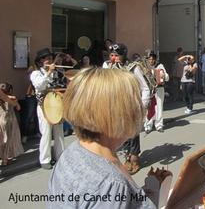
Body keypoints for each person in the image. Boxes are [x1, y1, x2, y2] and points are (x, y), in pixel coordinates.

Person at [47, 68, 156, 209]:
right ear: (115, 115)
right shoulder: (111, 183)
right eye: (133, 103)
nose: (140, 107)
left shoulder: (72, 152)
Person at [103, 44, 151, 175]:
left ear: (123, 55)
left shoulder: (133, 68)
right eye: (112, 55)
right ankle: (127, 157)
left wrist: (143, 105)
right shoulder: (110, 67)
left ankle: (134, 158)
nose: (114, 58)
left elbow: (145, 87)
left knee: (133, 133)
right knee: (122, 132)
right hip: (117, 105)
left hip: (132, 104)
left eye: (117, 55)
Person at [30, 48, 65, 169]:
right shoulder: (36, 74)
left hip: (56, 105)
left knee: (59, 132)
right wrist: (48, 73)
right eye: (46, 59)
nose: (49, 60)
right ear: (40, 62)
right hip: (43, 106)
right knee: (46, 133)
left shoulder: (55, 73)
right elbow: (39, 86)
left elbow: (61, 85)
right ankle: (45, 160)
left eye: (50, 58)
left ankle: (60, 156)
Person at [144, 52, 169, 133]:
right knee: (149, 108)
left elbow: (166, 77)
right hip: (149, 90)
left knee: (159, 107)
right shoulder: (145, 67)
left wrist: (163, 76)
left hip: (159, 89)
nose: (151, 61)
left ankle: (159, 125)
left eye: (152, 59)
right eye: (149, 59)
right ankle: (148, 126)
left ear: (155, 59)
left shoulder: (160, 66)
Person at [0, 83, 24, 166]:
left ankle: (3, 157)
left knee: (2, 139)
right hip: (8, 120)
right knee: (7, 140)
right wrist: (16, 103)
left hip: (2, 120)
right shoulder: (11, 99)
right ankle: (5, 159)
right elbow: (17, 107)